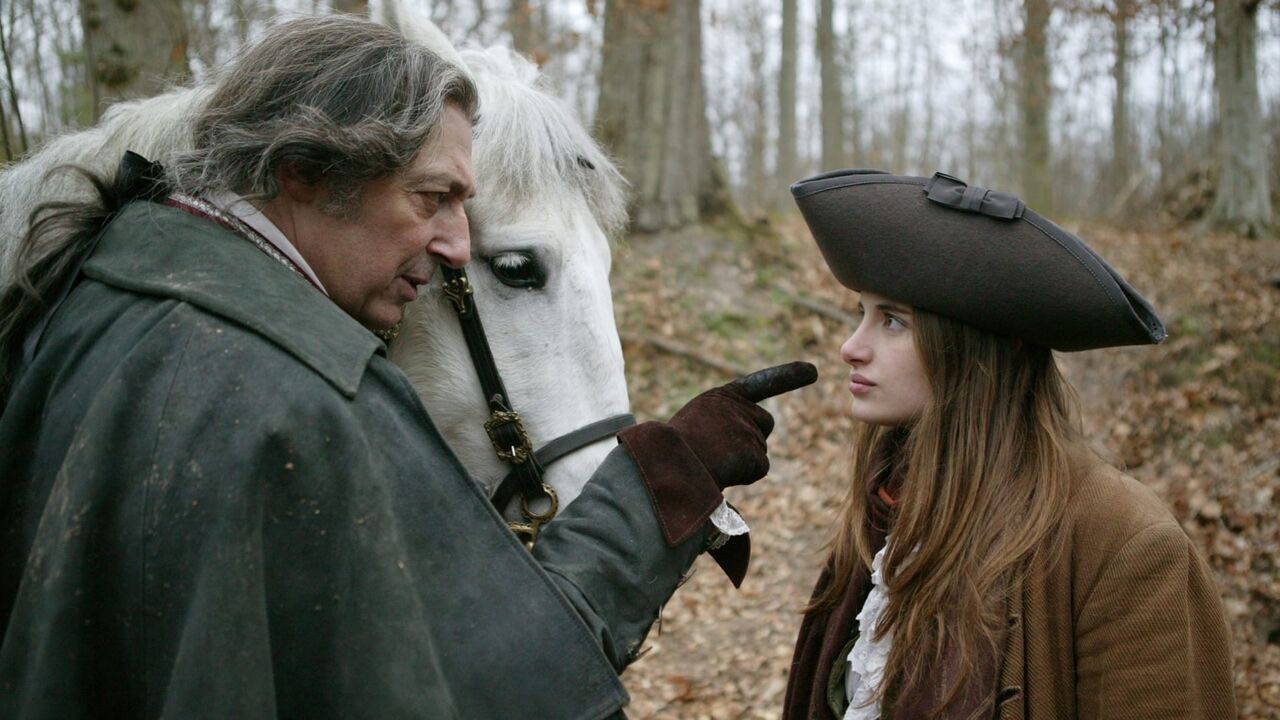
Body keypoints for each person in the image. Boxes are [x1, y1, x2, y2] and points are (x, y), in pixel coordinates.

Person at [0, 15, 817, 718]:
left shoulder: (95, 307)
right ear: (304, 173)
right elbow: (483, 686)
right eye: (432, 199)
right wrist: (665, 480)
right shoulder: (298, 401)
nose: (458, 243)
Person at [781, 169, 1235, 720]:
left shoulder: (1125, 543)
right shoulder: (891, 504)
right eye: (863, 314)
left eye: (893, 321)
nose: (851, 347)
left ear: (977, 349)